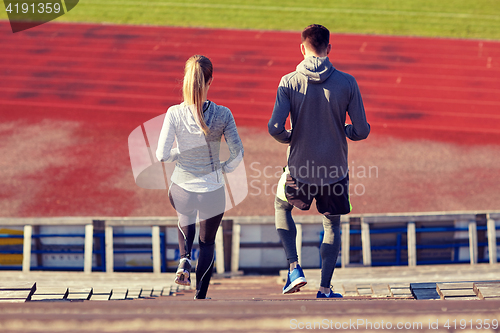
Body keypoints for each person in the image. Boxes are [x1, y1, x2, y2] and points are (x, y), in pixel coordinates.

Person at [268, 24, 370, 298]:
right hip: (335, 171)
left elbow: (275, 127)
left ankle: (294, 268)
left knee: (281, 206)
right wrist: (342, 130)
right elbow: (361, 130)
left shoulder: (288, 82)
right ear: (329, 48)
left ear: (302, 48)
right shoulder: (347, 82)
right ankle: (325, 288)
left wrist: (292, 137)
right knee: (332, 224)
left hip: (299, 169)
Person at [156, 55, 244, 299]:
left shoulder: (174, 113)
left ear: (185, 79)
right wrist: (222, 168)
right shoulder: (223, 114)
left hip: (181, 188)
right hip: (212, 191)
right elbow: (238, 153)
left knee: (184, 216)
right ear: (210, 81)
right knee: (207, 244)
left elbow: (161, 155)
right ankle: (201, 296)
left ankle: (184, 259)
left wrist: (179, 152)